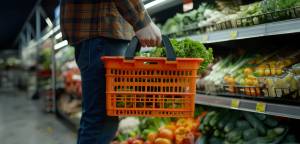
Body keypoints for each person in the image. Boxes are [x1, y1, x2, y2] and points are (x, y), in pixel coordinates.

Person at [60, 0, 162, 143]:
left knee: (98, 120)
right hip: (102, 30)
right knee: (101, 123)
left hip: (97, 33)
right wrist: (142, 21)